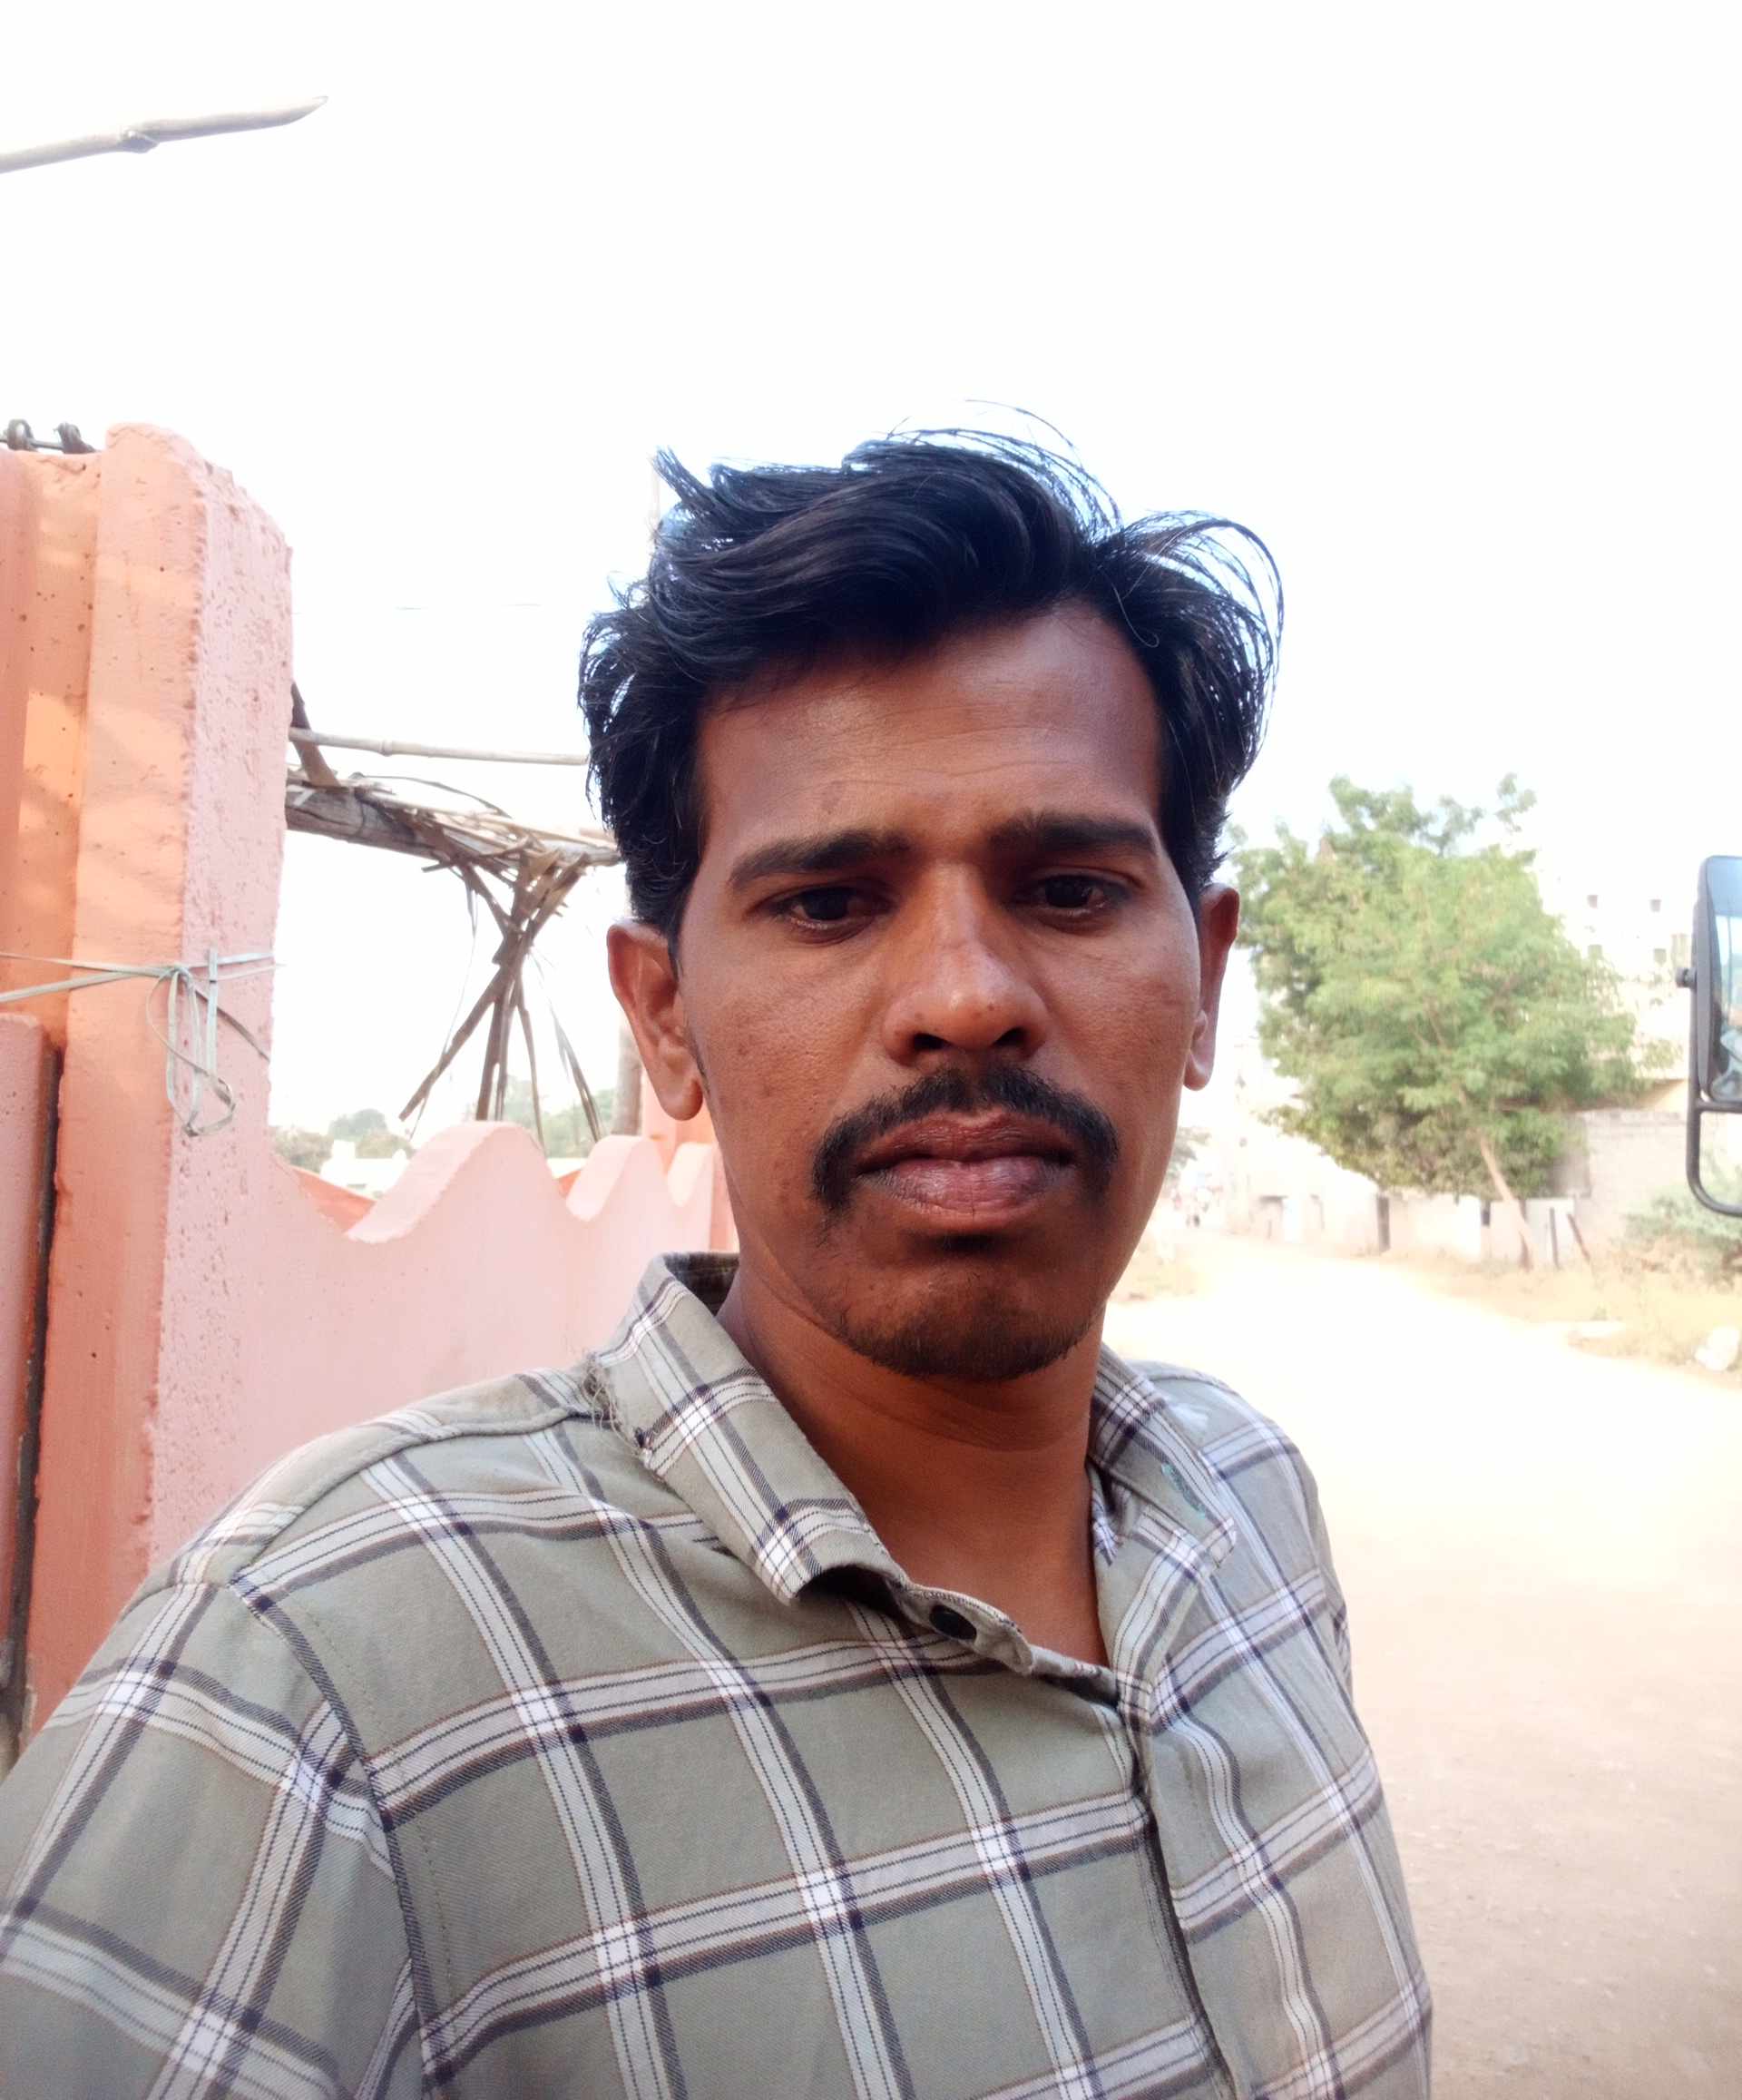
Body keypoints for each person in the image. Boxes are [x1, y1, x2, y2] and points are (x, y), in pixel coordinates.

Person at [0, 433, 1430, 2096]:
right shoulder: (317, 1678)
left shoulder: (1249, 1506)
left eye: (1066, 888)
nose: (966, 997)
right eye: (829, 904)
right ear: (665, 1019)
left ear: (1204, 980)